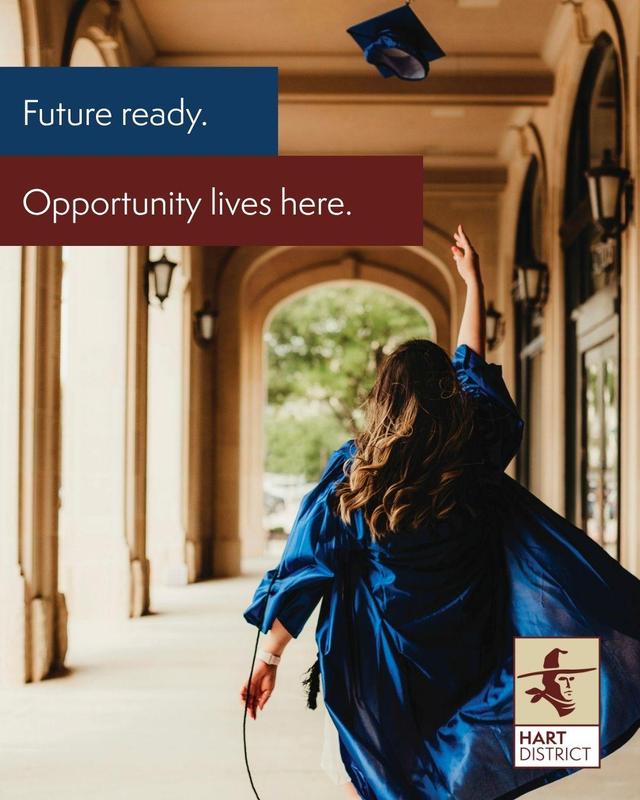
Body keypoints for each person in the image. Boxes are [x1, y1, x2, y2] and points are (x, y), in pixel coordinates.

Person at [241, 226, 640, 800]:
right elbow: (474, 365)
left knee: (377, 770)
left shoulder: (355, 478)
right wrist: (472, 281)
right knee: (466, 767)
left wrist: (270, 657)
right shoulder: (474, 456)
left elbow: (307, 567)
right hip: (470, 650)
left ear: (382, 398)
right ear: (448, 397)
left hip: (384, 665)